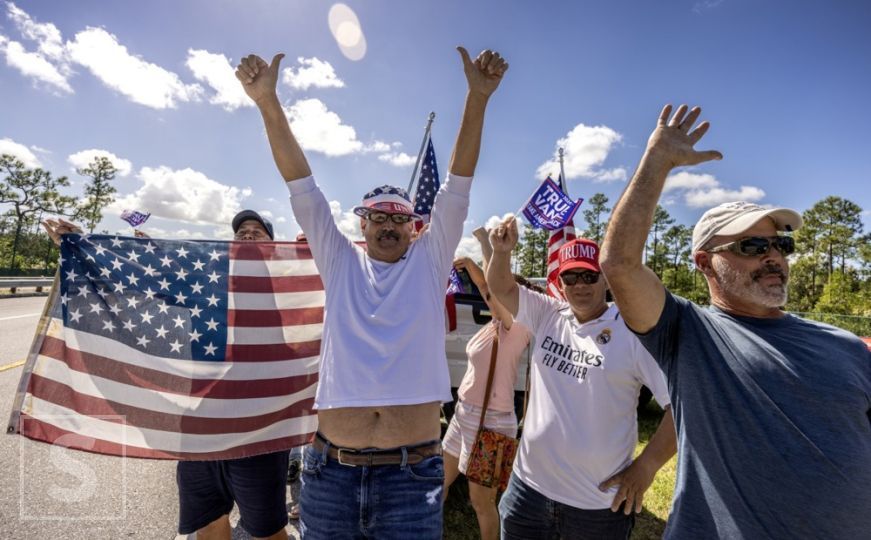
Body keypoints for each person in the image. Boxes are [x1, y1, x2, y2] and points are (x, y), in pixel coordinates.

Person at [235, 46, 508, 539]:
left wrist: (478, 97)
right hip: (331, 472)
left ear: (415, 227)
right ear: (363, 223)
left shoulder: (429, 264)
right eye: (377, 216)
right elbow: (302, 185)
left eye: (398, 218)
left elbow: (457, 185)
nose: (388, 225)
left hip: (412, 476)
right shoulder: (339, 260)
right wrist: (266, 102)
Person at [600, 104, 871, 539]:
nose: (773, 257)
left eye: (780, 244)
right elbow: (619, 263)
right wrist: (658, 160)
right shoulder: (689, 333)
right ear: (706, 263)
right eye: (752, 245)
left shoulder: (846, 345)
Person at [43, 210, 291, 540]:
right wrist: (78, 242)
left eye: (257, 231)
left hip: (257, 434)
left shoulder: (293, 287)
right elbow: (140, 276)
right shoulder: (207, 283)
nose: (247, 235)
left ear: (274, 246)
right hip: (198, 431)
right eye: (240, 231)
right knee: (208, 524)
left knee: (268, 532)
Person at [487, 224, 676, 539]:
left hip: (596, 509)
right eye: (570, 277)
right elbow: (501, 287)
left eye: (589, 276)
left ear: (605, 279)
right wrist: (501, 252)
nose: (580, 285)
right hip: (527, 493)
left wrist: (646, 467)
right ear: (560, 283)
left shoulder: (633, 333)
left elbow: (680, 407)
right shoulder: (549, 313)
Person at [442, 249, 533, 540]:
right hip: (463, 416)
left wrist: (472, 263)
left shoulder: (517, 326)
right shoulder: (494, 326)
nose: (494, 294)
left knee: (481, 503)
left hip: (490, 423)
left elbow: (488, 290)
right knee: (438, 484)